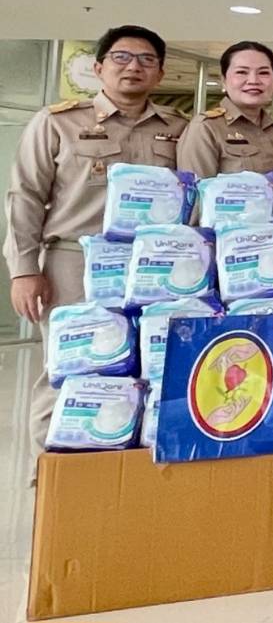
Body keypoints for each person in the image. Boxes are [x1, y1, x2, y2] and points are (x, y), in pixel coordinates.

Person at [7, 25, 186, 453]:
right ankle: (52, 474)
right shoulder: (58, 122)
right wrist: (24, 270)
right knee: (71, 366)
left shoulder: (178, 128)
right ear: (99, 67)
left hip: (155, 264)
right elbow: (25, 195)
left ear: (160, 73)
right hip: (75, 262)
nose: (133, 67)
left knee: (149, 365)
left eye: (146, 60)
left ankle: (125, 470)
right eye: (122, 57)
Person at [176, 41, 273, 178]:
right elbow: (194, 188)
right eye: (241, 72)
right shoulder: (205, 128)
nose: (253, 80)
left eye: (263, 73)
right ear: (224, 81)